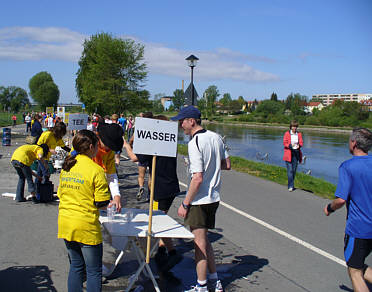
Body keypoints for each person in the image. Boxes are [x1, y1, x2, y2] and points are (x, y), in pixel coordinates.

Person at [171, 106, 231, 292]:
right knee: (204, 241)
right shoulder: (216, 137)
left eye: (182, 121)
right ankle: (214, 279)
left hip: (199, 199)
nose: (181, 125)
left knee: (198, 244)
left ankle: (202, 285)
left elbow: (197, 178)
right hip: (214, 197)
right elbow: (227, 164)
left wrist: (185, 203)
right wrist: (210, 164)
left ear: (192, 121)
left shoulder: (194, 142)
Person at [123, 115, 183, 277]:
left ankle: (172, 252)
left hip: (160, 189)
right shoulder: (169, 144)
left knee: (157, 221)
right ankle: (162, 250)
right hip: (169, 186)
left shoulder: (154, 146)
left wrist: (126, 145)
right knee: (159, 219)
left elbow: (135, 158)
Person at [57, 130, 112, 292]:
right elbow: (102, 203)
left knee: (76, 265)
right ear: (90, 147)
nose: (98, 148)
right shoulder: (96, 170)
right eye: (97, 146)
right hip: (86, 226)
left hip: (66, 222)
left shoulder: (67, 166)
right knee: (94, 271)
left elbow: (61, 193)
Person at [324, 128, 372, 292]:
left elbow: (341, 200)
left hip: (359, 228)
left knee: (354, 271)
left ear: (354, 143)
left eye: (350, 140)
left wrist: (330, 207)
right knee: (359, 265)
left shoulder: (348, 167)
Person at [283, 120, 303, 192]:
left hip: (296, 154)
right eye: (293, 126)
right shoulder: (287, 133)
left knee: (294, 171)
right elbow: (284, 143)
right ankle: (290, 186)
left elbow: (301, 142)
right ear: (291, 127)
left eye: (295, 126)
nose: (294, 128)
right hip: (288, 153)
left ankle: (291, 183)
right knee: (290, 171)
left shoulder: (299, 134)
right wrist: (290, 146)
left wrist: (299, 146)